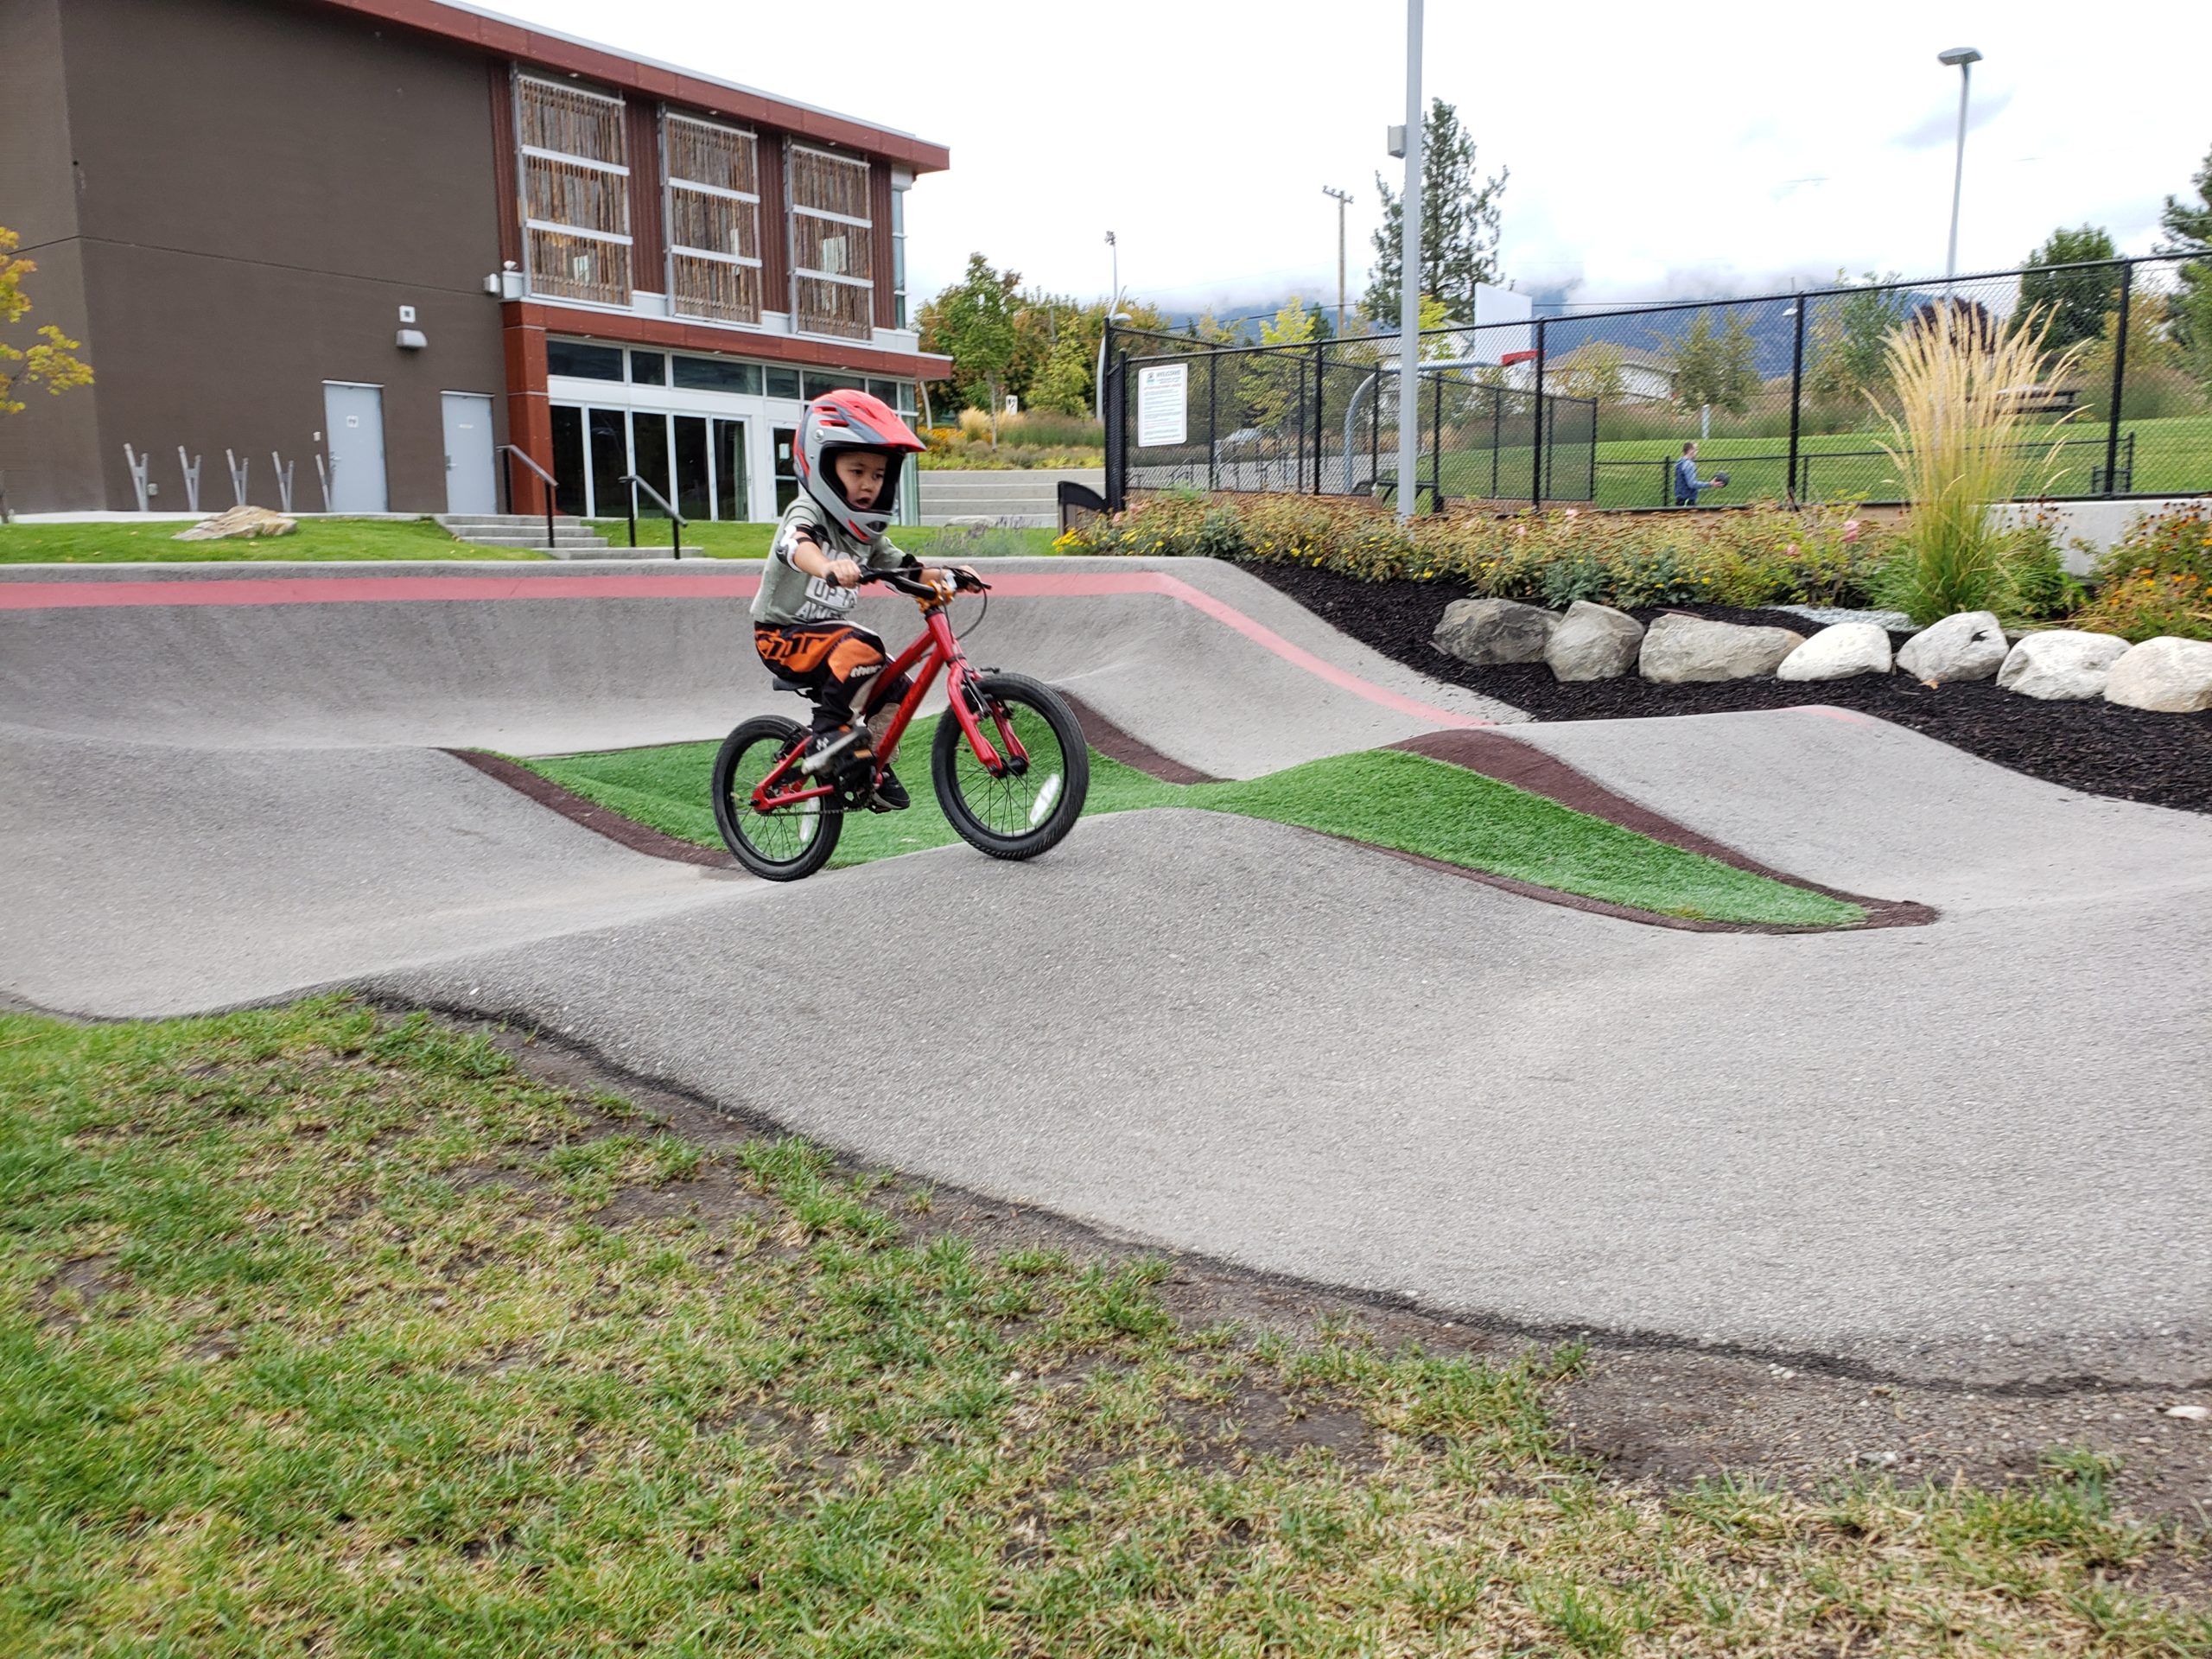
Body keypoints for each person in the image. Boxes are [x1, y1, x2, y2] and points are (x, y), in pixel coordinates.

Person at [750, 389, 968, 812]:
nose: (869, 483)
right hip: (781, 636)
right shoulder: (806, 512)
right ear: (823, 467)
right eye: (857, 471)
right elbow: (796, 545)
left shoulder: (865, 535)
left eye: (879, 475)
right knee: (864, 643)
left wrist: (952, 575)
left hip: (828, 644)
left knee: (899, 690)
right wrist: (827, 566)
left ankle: (868, 766)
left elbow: (907, 569)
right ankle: (828, 732)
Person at [1673, 442, 1726, 507]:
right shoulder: (1689, 464)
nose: (1697, 451)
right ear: (1690, 451)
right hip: (1687, 500)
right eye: (1696, 449)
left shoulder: (1680, 462)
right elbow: (1692, 484)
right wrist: (1710, 484)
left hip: (1680, 498)